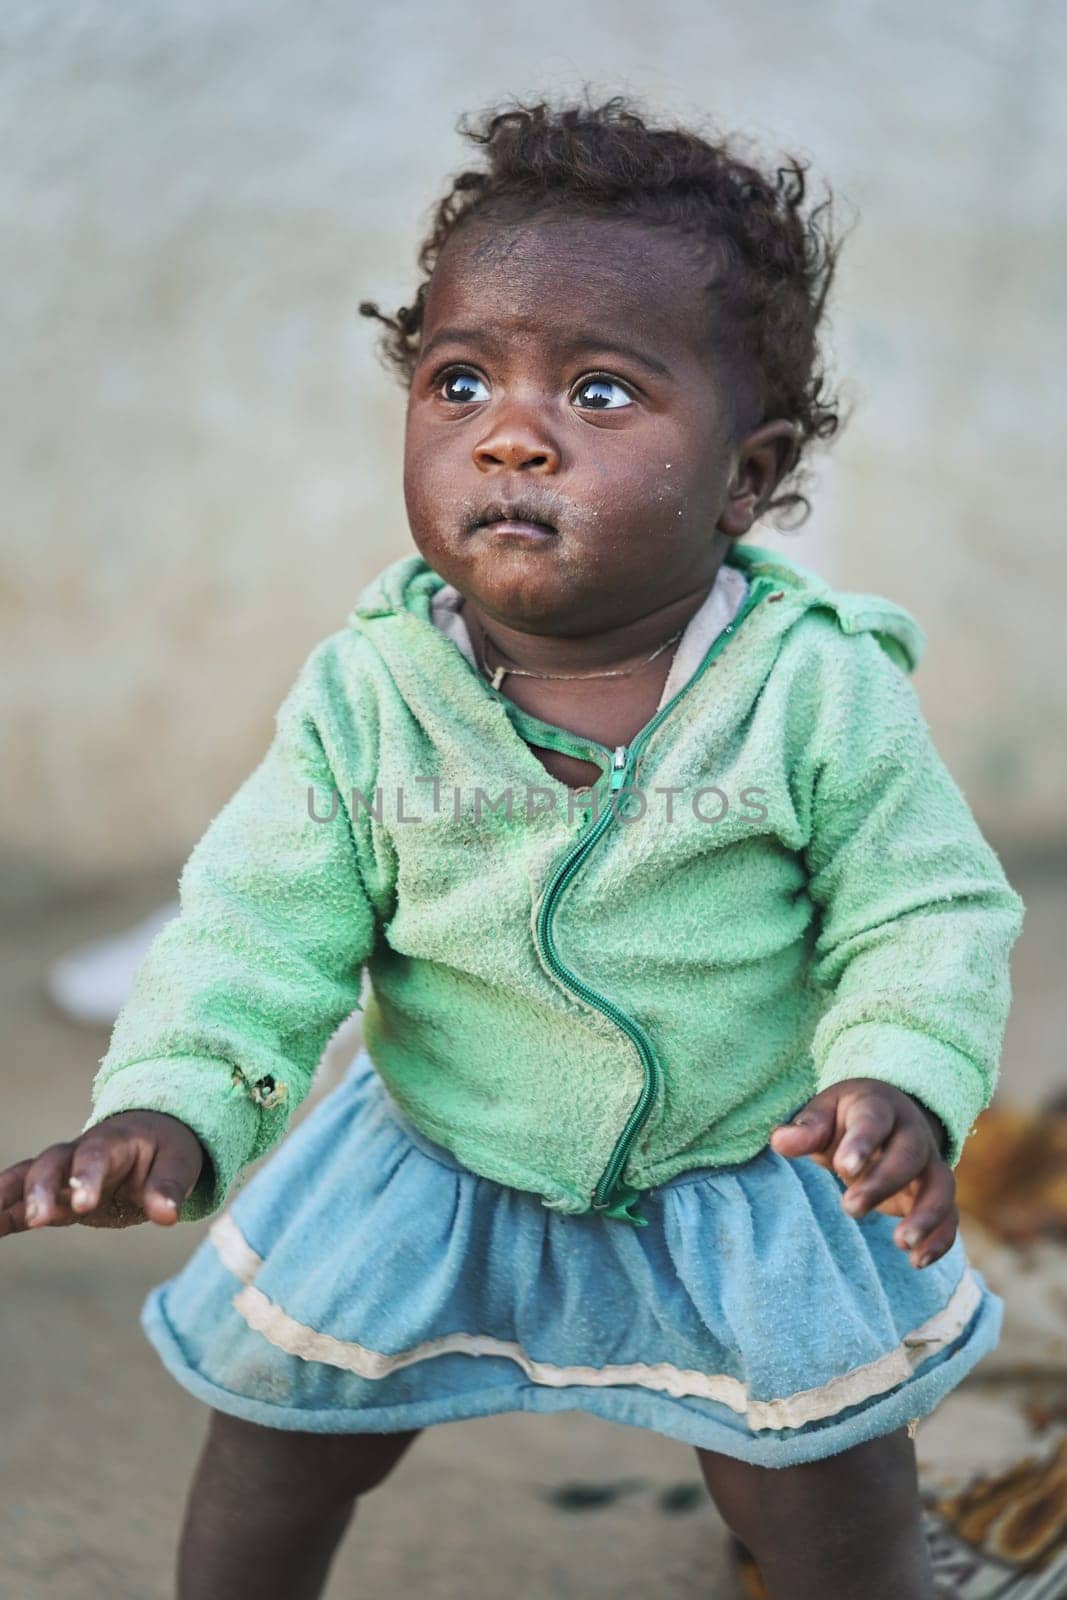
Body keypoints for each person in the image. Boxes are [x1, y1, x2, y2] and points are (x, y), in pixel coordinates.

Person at [0, 96, 1026, 1600]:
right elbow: (255, 926)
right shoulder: (373, 695)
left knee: (813, 1474)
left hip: (735, 1168)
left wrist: (899, 1077)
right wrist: (171, 1098)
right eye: (458, 377)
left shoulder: (811, 687)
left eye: (601, 395)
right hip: (444, 1154)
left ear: (746, 475)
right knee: (287, 1423)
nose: (512, 433)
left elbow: (922, 908)